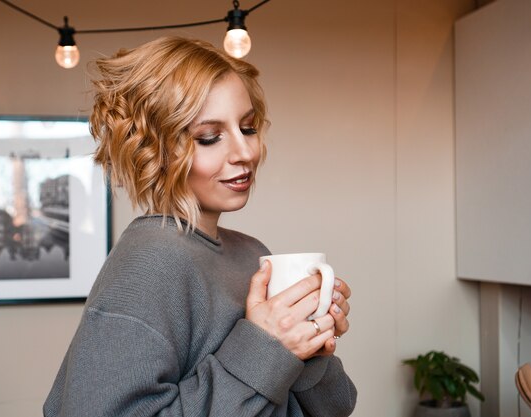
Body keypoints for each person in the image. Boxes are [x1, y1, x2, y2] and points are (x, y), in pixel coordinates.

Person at [44, 36, 356, 417]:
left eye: (248, 128)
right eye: (209, 137)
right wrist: (267, 348)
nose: (245, 153)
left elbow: (337, 407)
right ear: (155, 150)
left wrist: (308, 343)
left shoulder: (251, 252)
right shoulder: (150, 262)